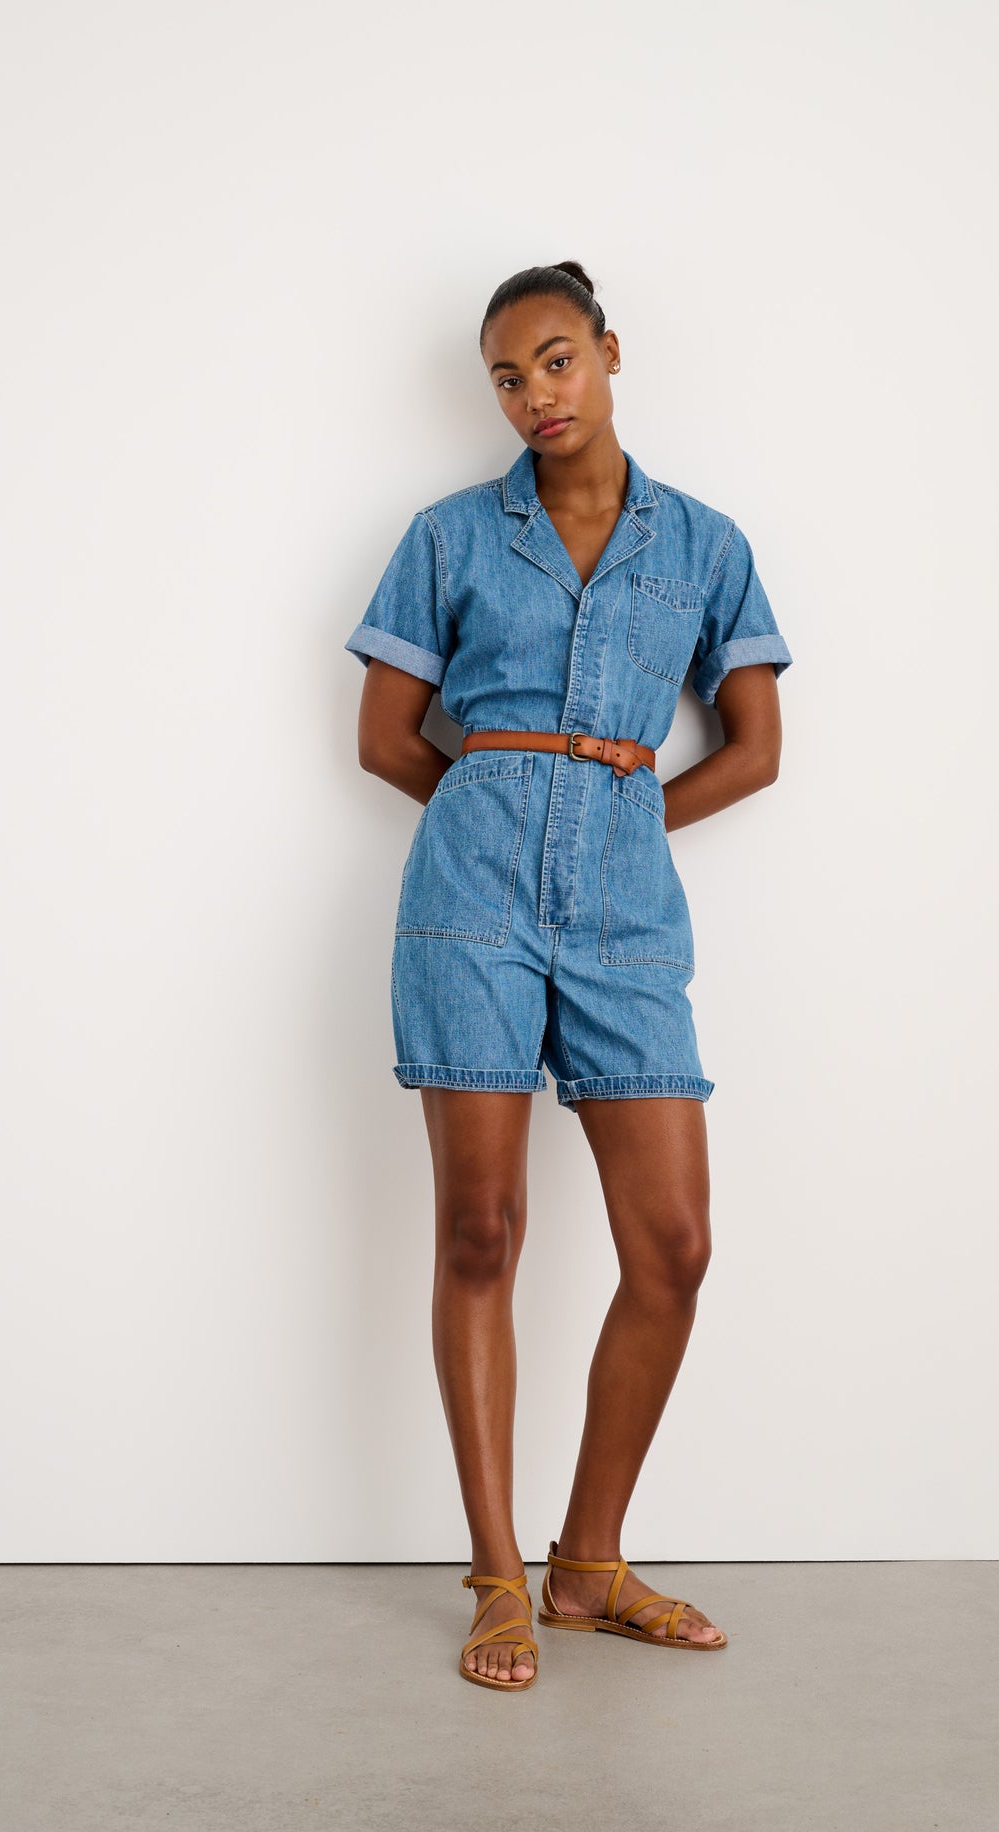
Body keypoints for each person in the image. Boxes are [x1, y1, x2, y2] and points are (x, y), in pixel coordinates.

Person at [344, 261, 793, 1692]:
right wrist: (501, 804)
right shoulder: (449, 537)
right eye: (506, 377)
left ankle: (588, 1565)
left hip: (625, 919)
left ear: (607, 350)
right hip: (467, 907)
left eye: (554, 359)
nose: (534, 394)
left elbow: (755, 747)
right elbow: (386, 736)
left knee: (675, 1247)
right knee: (481, 1232)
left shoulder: (704, 544)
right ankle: (497, 1574)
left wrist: (622, 817)